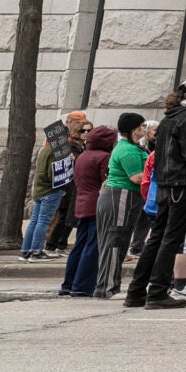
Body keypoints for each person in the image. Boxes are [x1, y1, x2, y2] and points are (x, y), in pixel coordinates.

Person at [126, 79, 186, 309]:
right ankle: (157, 292)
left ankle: (136, 291)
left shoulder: (168, 119)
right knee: (171, 239)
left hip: (165, 184)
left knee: (157, 237)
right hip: (182, 185)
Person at [57, 124, 114, 298]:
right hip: (96, 203)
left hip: (82, 202)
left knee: (79, 245)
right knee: (93, 245)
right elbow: (106, 180)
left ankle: (69, 283)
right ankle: (82, 285)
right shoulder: (104, 157)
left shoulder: (82, 156)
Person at [94, 113, 145, 298]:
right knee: (115, 241)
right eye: (142, 126)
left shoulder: (131, 147)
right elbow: (136, 177)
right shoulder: (127, 150)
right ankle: (107, 288)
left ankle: (110, 285)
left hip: (122, 196)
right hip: (121, 196)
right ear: (134, 129)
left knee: (119, 242)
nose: (144, 129)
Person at [22, 118, 73, 259]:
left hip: (40, 190)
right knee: (43, 221)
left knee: (35, 221)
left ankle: (27, 249)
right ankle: (37, 250)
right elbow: (54, 174)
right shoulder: (57, 152)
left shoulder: (45, 150)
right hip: (51, 191)